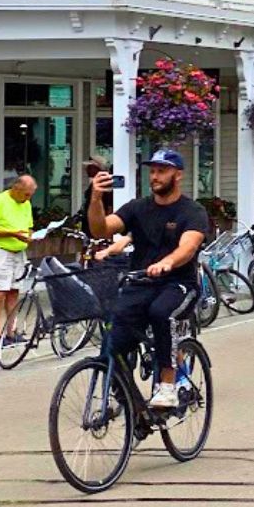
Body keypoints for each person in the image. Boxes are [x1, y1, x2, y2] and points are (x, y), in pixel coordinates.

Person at [89, 148, 208, 409]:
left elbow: (189, 247)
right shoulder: (138, 207)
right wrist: (96, 199)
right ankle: (134, 409)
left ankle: (168, 384)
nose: (155, 176)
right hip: (141, 283)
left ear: (178, 176)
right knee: (114, 341)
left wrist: (167, 262)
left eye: (162, 171)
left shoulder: (192, 211)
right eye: (152, 171)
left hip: (178, 283)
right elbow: (101, 228)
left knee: (161, 312)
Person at [0, 175, 37, 346]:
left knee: (14, 291)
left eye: (30, 195)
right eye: (26, 194)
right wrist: (12, 233)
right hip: (0, 251)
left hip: (18, 252)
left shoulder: (25, 203)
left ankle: (11, 332)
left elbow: (28, 227)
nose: (28, 198)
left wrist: (30, 236)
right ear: (16, 189)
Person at [79, 156, 112, 237]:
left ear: (98, 169)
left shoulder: (104, 185)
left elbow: (109, 207)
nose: (87, 169)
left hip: (97, 225)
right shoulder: (94, 184)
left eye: (90, 167)